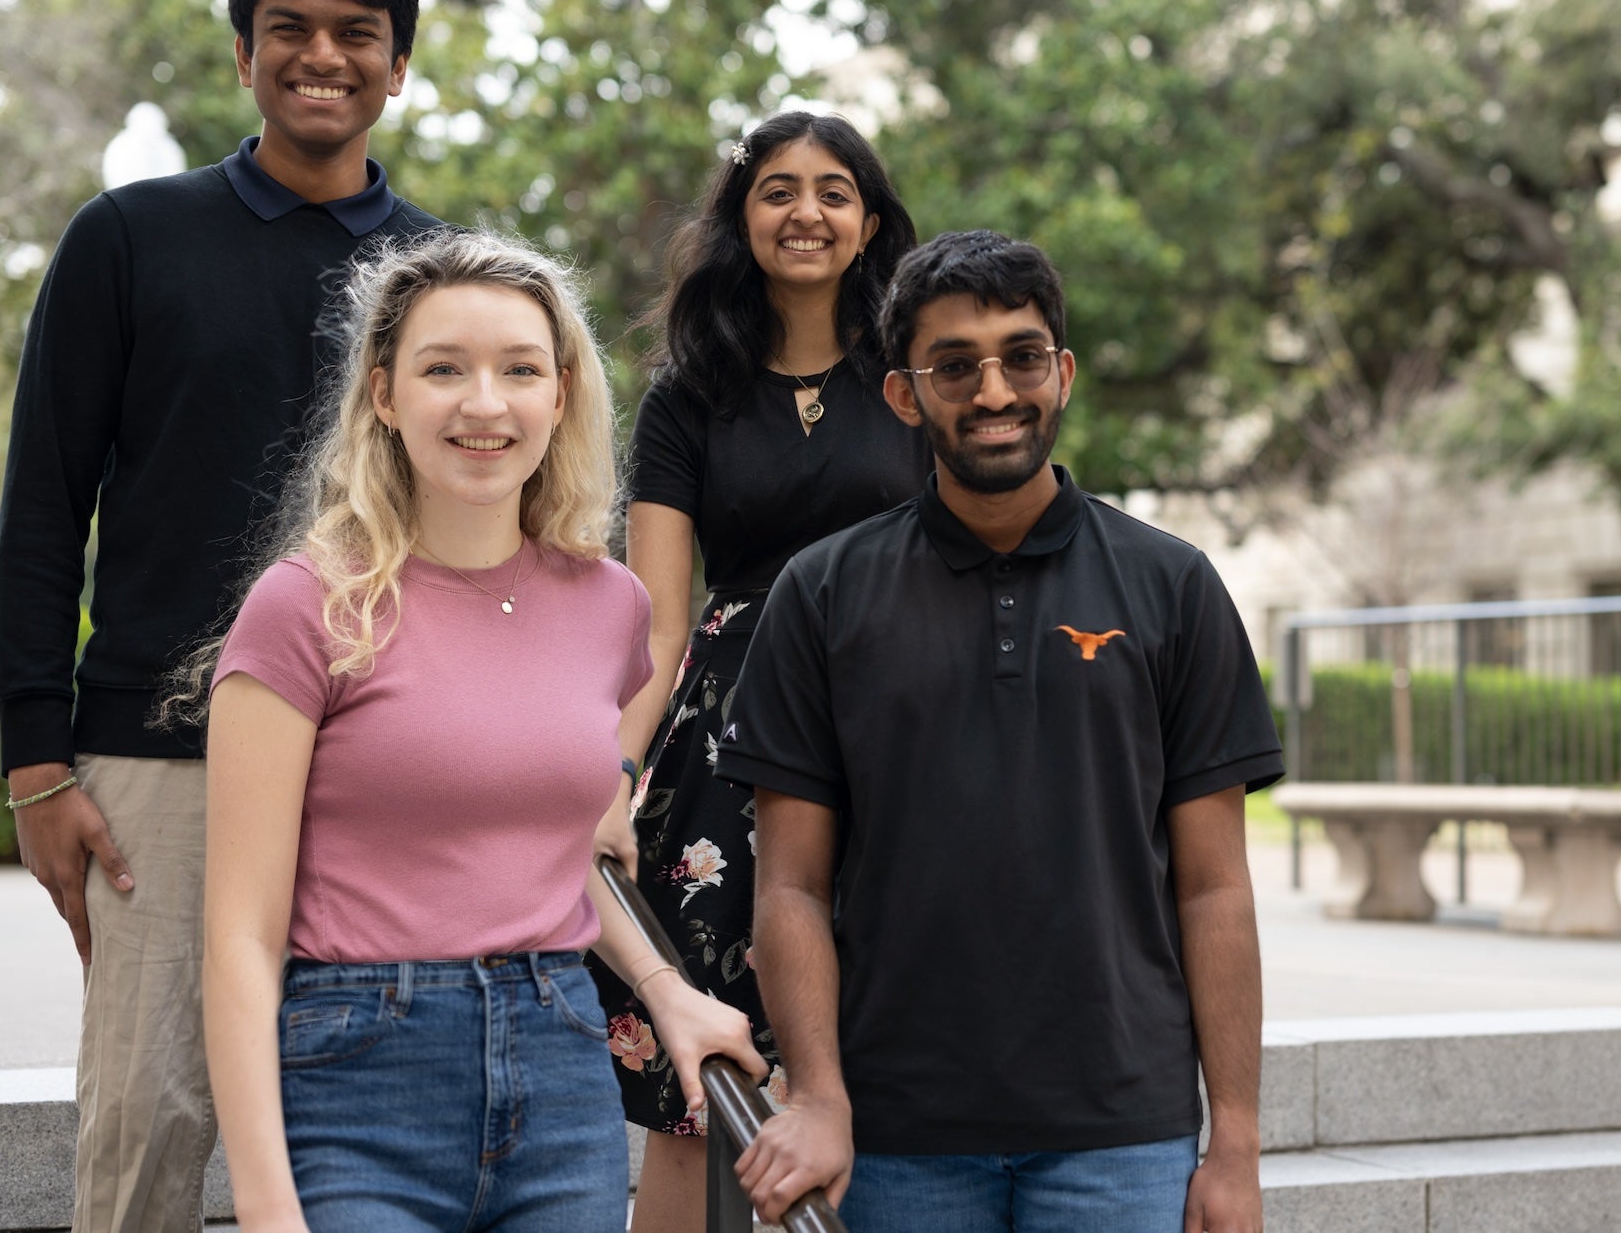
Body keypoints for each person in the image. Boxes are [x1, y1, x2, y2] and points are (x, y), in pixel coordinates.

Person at [0, 0, 442, 1230]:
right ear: (244, 54)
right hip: (158, 754)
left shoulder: (434, 272)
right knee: (150, 1124)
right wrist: (37, 762)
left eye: (356, 34)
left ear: (397, 65)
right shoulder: (127, 240)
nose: (322, 56)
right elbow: (40, 511)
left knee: (354, 1131)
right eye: (289, 28)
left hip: (378, 757)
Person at [192, 229, 764, 1232]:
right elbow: (239, 937)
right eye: (443, 368)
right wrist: (264, 1203)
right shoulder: (305, 607)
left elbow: (552, 851)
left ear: (561, 392)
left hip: (560, 1069)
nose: (484, 403)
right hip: (359, 1074)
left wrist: (667, 991)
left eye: (519, 370)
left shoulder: (611, 607)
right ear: (384, 396)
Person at [721, 230, 1284, 1233]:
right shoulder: (821, 593)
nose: (993, 392)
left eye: (1021, 357)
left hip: (1124, 1133)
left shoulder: (1173, 585)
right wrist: (817, 1094)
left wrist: (1233, 1145)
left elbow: (1214, 887)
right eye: (954, 366)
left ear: (1060, 374)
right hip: (898, 1134)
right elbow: (791, 885)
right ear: (905, 394)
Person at [593, 111, 921, 1230]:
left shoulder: (913, 380)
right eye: (778, 189)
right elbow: (658, 619)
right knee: (701, 1094)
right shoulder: (688, 395)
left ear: (869, 221)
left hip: (892, 725)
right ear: (742, 217)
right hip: (726, 747)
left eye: (834, 191)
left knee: (872, 1060)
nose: (806, 211)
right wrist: (613, 769)